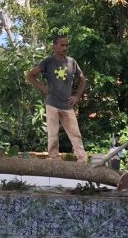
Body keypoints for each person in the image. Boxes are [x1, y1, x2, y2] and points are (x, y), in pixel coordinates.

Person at [25, 35, 88, 163]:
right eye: (62, 45)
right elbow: (30, 75)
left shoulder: (72, 62)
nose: (65, 48)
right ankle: (55, 159)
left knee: (75, 134)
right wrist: (42, 87)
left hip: (68, 105)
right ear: (54, 46)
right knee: (53, 134)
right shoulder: (48, 62)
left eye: (66, 45)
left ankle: (82, 159)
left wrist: (77, 96)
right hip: (52, 103)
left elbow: (82, 79)